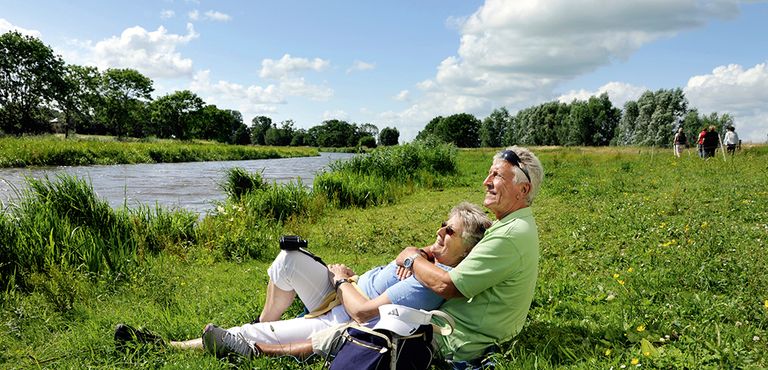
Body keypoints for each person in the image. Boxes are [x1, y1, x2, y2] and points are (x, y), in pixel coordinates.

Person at [115, 202, 491, 360]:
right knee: (289, 258)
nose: (440, 232)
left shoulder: (430, 282)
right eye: (442, 225)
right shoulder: (428, 258)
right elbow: (428, 250)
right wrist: (417, 250)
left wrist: (342, 279)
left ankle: (169, 345)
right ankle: (268, 322)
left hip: (344, 314)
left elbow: (361, 314)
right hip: (341, 293)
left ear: (467, 249)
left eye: (450, 231)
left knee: (245, 337)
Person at [394, 146, 544, 367]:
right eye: (489, 173)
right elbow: (467, 249)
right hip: (464, 329)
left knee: (353, 328)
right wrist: (425, 251)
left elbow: (448, 286)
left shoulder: (509, 235)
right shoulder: (514, 224)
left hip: (455, 338)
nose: (486, 181)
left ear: (523, 190)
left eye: (497, 175)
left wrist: (411, 258)